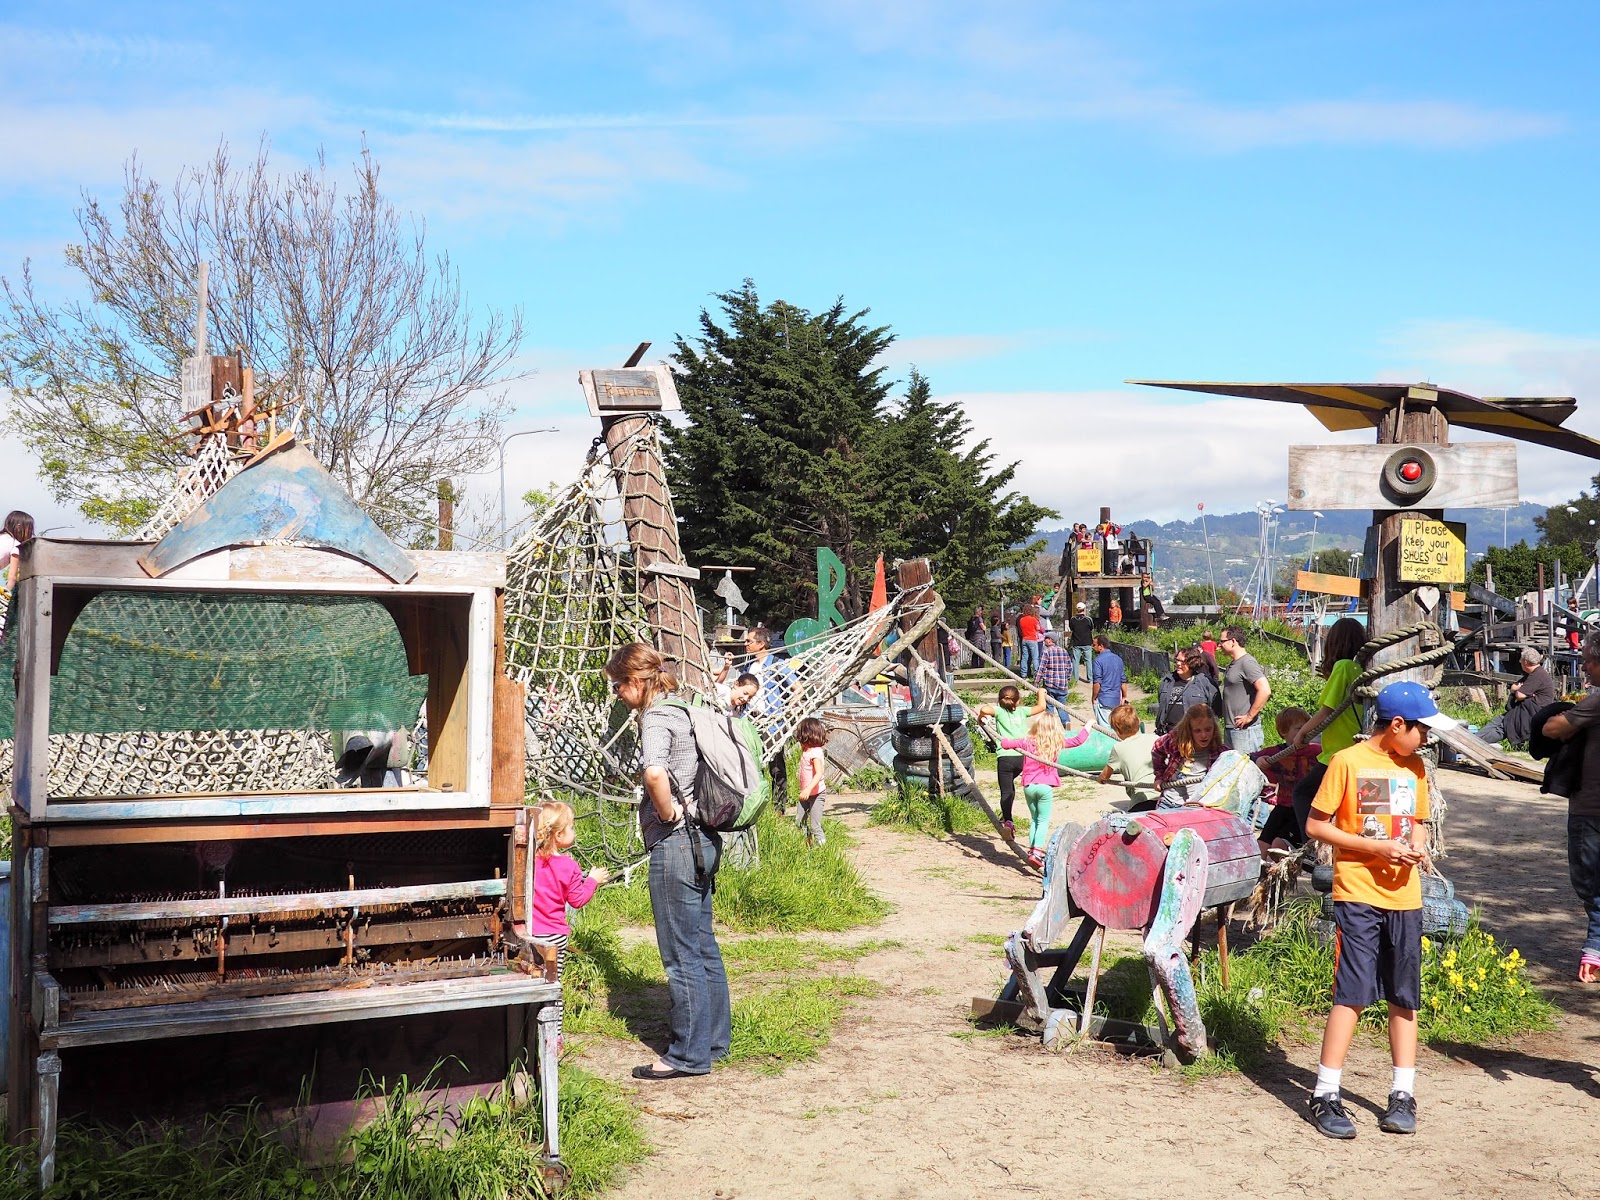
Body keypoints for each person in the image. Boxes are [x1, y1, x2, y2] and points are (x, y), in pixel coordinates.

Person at [1304, 681, 1445, 1139]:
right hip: (1358, 894)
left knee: (1405, 994)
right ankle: (1325, 1093)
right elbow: (1314, 824)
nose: (1426, 739)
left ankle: (1403, 1093)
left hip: (1406, 897)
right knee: (1353, 992)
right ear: (1397, 725)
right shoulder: (1347, 762)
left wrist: (1417, 848)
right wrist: (1373, 848)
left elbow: (1419, 823)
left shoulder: (1417, 767)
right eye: (1422, 730)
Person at [606, 643, 730, 1079]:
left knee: (680, 954)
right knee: (702, 944)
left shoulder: (656, 716)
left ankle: (687, 1056)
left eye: (619, 684)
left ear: (638, 682)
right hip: (706, 839)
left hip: (677, 844)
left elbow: (655, 771)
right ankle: (713, 1041)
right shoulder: (685, 708)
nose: (618, 693)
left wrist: (665, 812)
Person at [1536, 632, 1600, 983]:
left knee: (1589, 883)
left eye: (1590, 659)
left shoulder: (1597, 701)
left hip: (1591, 808)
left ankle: (1595, 949)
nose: (1585, 666)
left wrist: (1566, 713)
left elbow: (1552, 727)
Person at [527, 802, 611, 1044]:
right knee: (554, 987)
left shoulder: (529, 863)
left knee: (535, 984)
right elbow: (577, 900)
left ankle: (531, 1035)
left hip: (531, 935)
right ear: (558, 835)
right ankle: (555, 1037)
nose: (574, 832)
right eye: (571, 827)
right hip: (555, 937)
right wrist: (593, 880)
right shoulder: (569, 866)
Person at [1290, 617, 1368, 840]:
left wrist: (1303, 733)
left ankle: (1312, 846)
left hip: (1339, 752)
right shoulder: (1361, 669)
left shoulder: (1343, 667)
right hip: (1354, 748)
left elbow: (1326, 711)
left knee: (1303, 793)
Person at [1000, 709, 1068, 869]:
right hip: (1045, 787)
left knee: (1034, 820)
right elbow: (1078, 740)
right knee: (1043, 820)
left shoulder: (1027, 741)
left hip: (1029, 786)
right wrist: (1088, 726)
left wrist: (998, 733)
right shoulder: (1057, 742)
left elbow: (1006, 744)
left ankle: (1032, 851)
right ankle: (1036, 852)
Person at [978, 685, 1047, 838]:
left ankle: (1008, 821)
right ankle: (1011, 816)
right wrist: (1041, 693)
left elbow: (984, 709)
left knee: (1006, 790)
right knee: (1014, 787)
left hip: (1005, 757)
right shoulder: (1022, 711)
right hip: (1024, 757)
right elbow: (1042, 706)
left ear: (1000, 701)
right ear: (1019, 701)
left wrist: (980, 717)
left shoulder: (999, 712)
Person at [1250, 708, 1321, 853]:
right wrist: (1258, 760)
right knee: (1261, 846)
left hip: (1302, 809)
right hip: (1283, 807)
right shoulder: (1276, 753)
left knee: (1278, 846)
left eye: (1308, 728)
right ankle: (1259, 874)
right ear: (1284, 732)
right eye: (1299, 729)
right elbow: (1247, 757)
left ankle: (1281, 872)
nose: (1305, 732)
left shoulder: (1316, 751)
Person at [740, 625, 796, 809]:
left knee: (776, 764)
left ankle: (779, 805)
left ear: (761, 643)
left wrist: (786, 711)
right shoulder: (748, 666)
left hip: (772, 721)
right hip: (751, 720)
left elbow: (798, 689)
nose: (746, 644)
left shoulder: (776, 663)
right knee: (752, 763)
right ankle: (756, 804)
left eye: (749, 641)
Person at [1476, 648, 1558, 748]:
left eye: (1521, 660)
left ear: (1526, 662)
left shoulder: (1538, 675)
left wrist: (1516, 690)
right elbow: (1519, 689)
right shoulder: (1534, 674)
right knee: (1499, 720)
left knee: (1505, 726)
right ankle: (1472, 739)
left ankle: (1474, 744)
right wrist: (1519, 690)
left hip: (1531, 713)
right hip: (1526, 710)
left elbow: (1520, 695)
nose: (1520, 662)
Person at [1151, 703, 1224, 809]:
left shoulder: (1218, 751)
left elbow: (1235, 761)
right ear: (1189, 730)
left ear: (1214, 728)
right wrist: (1159, 776)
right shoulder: (1176, 741)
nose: (1204, 735)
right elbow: (1157, 748)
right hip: (1170, 800)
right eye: (1197, 731)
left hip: (1198, 804)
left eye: (1208, 729)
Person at [1218, 626, 1272, 755]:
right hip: (1233, 729)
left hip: (1245, 732)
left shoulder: (1247, 662)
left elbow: (1265, 690)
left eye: (1222, 641)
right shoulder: (1234, 663)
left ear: (1233, 641)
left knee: (1246, 770)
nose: (1219, 645)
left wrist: (1249, 716)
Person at [1100, 702, 1158, 810]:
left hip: (1141, 800)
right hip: (1166, 796)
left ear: (1117, 731)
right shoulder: (1155, 739)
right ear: (1139, 722)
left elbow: (1105, 776)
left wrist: (1101, 779)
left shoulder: (1118, 748)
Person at [794, 716, 830, 847]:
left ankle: (823, 848)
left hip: (816, 794)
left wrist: (808, 789)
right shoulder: (806, 750)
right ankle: (807, 844)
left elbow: (819, 773)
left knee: (815, 825)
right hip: (805, 794)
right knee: (799, 821)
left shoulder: (815, 753)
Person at [1036, 631, 1075, 722]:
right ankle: (1066, 723)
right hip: (1062, 685)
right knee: (1062, 706)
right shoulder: (1064, 651)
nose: (1044, 640)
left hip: (1050, 684)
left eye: (1046, 638)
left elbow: (1041, 668)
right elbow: (1069, 667)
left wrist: (1036, 682)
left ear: (1050, 640)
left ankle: (1051, 724)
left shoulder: (1046, 651)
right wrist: (1067, 679)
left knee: (1049, 706)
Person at [1090, 634, 1126, 729]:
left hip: (1103, 699)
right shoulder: (1118, 659)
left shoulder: (1097, 661)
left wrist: (1094, 697)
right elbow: (1123, 681)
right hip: (1116, 700)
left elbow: (1097, 682)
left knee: (1105, 730)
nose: (1092, 647)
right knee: (1115, 727)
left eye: (1094, 645)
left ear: (1101, 646)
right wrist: (1124, 696)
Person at [1, 509, 33, 593]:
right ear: (19, 527)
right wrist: (5, 597)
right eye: (29, 529)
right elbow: (12, 577)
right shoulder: (15, 545)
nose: (30, 534)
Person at [1068, 601, 1094, 683]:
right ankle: (1090, 678)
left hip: (1076, 642)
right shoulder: (1088, 619)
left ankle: (1075, 679)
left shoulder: (1072, 619)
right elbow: (1091, 628)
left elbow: (1071, 628)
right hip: (1087, 642)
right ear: (1084, 609)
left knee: (1075, 661)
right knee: (1088, 661)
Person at [1017, 601, 1043, 679]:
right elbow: (1038, 628)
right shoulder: (1033, 619)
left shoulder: (1021, 619)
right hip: (1032, 639)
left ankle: (1023, 674)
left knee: (1024, 657)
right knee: (1035, 657)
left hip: (1024, 639)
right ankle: (1037, 674)